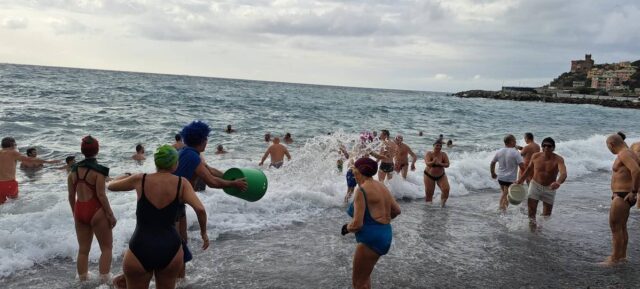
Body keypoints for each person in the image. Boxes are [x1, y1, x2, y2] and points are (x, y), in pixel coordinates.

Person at [108, 145, 209, 288]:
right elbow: (200, 210)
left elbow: (111, 186)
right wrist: (203, 233)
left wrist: (125, 176)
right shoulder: (182, 183)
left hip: (140, 246)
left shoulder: (140, 179)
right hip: (171, 248)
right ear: (175, 164)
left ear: (156, 162)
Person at [172, 120, 247, 279]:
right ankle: (172, 278)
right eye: (206, 138)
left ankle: (180, 280)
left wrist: (231, 176)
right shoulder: (192, 156)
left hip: (177, 203)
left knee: (182, 241)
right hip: (171, 204)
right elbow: (211, 182)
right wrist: (233, 184)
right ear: (201, 140)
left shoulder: (188, 152)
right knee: (176, 245)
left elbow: (210, 170)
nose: (207, 141)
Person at [341, 157, 401, 289]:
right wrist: (382, 220)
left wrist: (346, 228)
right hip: (385, 234)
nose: (353, 172)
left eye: (354, 169)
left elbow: (357, 224)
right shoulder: (381, 185)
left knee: (358, 284)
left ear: (360, 171)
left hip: (371, 240)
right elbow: (397, 210)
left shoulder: (361, 190)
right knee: (365, 278)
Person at [67, 135, 116, 282]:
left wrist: (74, 213)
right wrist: (110, 214)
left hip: (79, 209)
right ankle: (104, 280)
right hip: (96, 210)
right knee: (106, 248)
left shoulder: (73, 171)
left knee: (83, 250)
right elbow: (101, 195)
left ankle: (82, 280)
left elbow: (70, 195)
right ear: (97, 150)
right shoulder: (98, 172)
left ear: (82, 151)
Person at [600, 132, 640, 266]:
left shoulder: (624, 154)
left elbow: (636, 171)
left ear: (611, 145)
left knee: (615, 226)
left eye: (608, 147)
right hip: (623, 194)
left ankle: (615, 258)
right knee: (621, 227)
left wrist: (634, 191)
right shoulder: (630, 152)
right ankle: (621, 256)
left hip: (623, 194)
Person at [515, 137, 567, 228]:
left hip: (550, 188)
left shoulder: (558, 159)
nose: (546, 148)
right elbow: (528, 170)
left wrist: (558, 182)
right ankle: (532, 232)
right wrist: (520, 181)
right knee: (531, 213)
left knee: (546, 216)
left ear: (553, 148)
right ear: (542, 147)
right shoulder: (535, 156)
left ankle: (540, 230)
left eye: (549, 146)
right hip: (535, 186)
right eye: (544, 146)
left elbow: (563, 173)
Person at [1, 137, 59, 204]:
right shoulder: (13, 153)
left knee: (2, 206)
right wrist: (48, 161)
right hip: (9, 183)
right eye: (15, 145)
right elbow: (29, 159)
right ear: (13, 144)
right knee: (14, 204)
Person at [490, 134, 525, 211]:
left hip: (501, 178)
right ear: (511, 142)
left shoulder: (499, 151)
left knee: (504, 193)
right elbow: (522, 167)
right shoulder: (515, 153)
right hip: (510, 179)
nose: (516, 142)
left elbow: (492, 163)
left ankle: (501, 209)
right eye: (515, 141)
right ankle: (502, 211)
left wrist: (493, 173)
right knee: (505, 195)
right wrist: (522, 179)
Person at [424, 140, 451, 207]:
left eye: (440, 146)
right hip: (429, 175)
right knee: (429, 194)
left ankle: (442, 205)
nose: (438, 147)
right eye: (437, 145)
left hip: (441, 176)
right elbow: (427, 163)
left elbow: (447, 164)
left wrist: (440, 163)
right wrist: (433, 162)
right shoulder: (429, 153)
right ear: (433, 146)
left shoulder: (443, 154)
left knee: (446, 189)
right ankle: (428, 209)